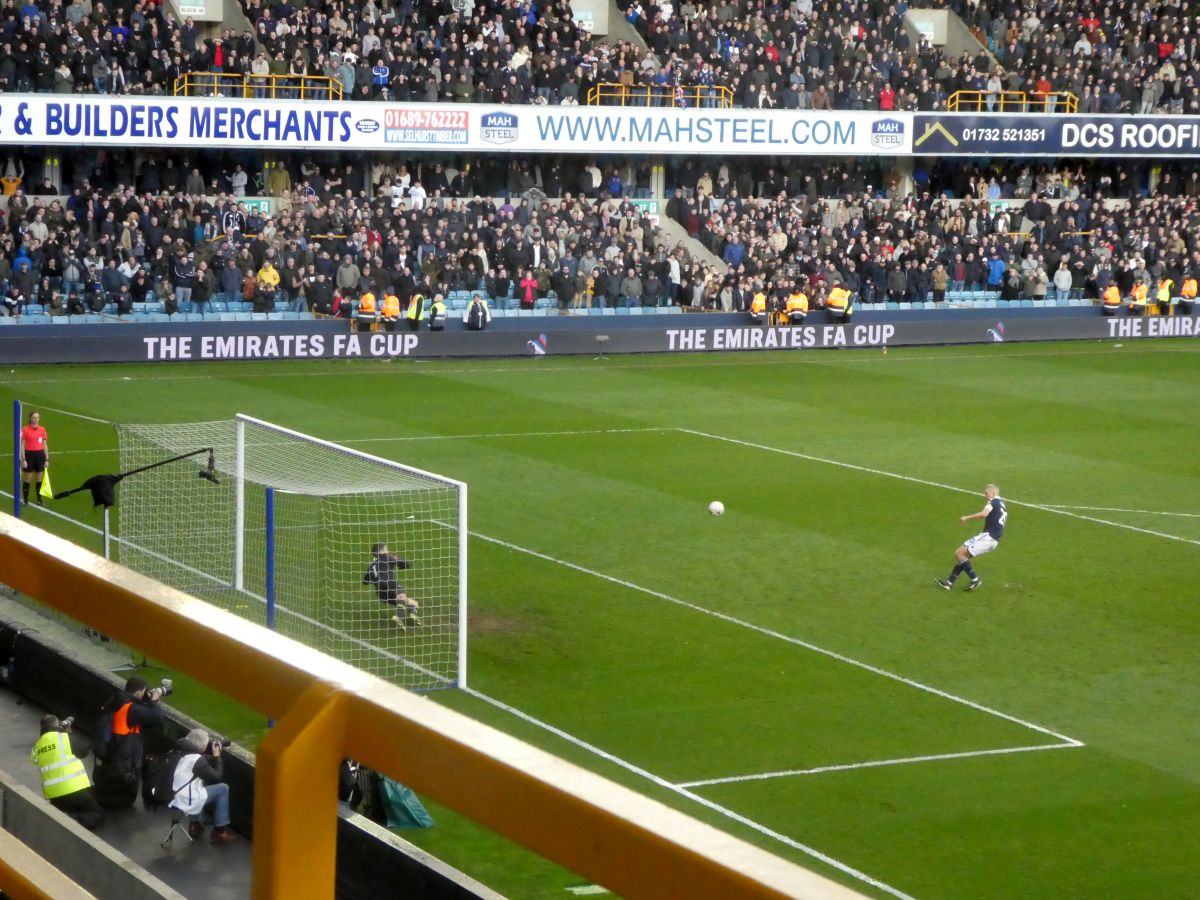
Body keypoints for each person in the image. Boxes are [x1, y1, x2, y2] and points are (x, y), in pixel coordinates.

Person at [92, 676, 166, 808]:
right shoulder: (131, 709)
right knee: (126, 799)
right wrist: (154, 701)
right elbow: (158, 717)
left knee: (110, 785)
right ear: (138, 692)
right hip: (125, 760)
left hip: (111, 750)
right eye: (143, 692)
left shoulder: (116, 700)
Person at [30, 714, 105, 830]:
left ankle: (64, 817)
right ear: (57, 725)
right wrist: (67, 732)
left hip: (55, 797)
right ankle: (73, 822)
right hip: (74, 790)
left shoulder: (37, 746)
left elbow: (34, 758)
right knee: (97, 813)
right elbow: (83, 752)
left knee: (78, 804)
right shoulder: (64, 738)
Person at [935, 484, 1007, 592]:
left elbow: (984, 514)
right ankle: (949, 583)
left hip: (988, 537)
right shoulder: (1002, 505)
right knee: (963, 556)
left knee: (959, 553)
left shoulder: (993, 502)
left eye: (986, 493)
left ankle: (975, 579)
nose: (985, 495)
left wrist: (967, 518)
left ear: (992, 493)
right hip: (994, 540)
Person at [169, 728, 237, 843]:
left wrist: (204, 756)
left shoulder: (178, 749)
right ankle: (219, 831)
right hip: (184, 799)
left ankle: (195, 825)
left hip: (170, 793)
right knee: (223, 788)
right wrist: (217, 757)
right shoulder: (196, 760)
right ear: (201, 746)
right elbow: (216, 777)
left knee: (196, 785)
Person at [362, 542, 420, 629]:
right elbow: (402, 562)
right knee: (401, 595)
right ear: (381, 551)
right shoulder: (386, 556)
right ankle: (399, 617)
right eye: (386, 549)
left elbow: (365, 581)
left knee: (413, 603)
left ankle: (412, 613)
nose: (387, 551)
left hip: (380, 593)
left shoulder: (371, 565)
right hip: (388, 583)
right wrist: (406, 564)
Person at [19, 410, 49, 507]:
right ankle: (25, 500)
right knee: (28, 479)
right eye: (33, 417)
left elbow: (44, 445)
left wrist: (47, 459)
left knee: (39, 479)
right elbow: (22, 445)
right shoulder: (25, 429)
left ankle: (39, 499)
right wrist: (23, 459)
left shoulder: (42, 429)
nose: (35, 419)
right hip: (29, 455)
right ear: (30, 418)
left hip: (40, 455)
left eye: (37, 418)